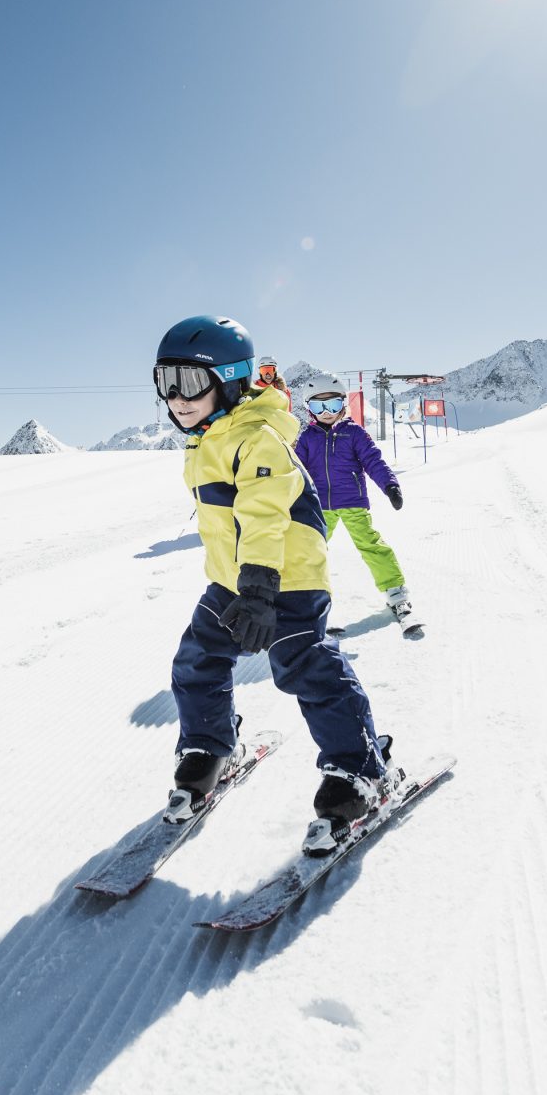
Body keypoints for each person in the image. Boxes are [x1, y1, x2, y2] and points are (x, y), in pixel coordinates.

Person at [152, 315, 395, 849]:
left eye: (190, 382)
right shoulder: (204, 441)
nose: (177, 398)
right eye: (165, 382)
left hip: (285, 580)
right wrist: (237, 583)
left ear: (233, 379)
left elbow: (263, 515)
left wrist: (260, 590)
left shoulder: (258, 439)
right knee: (197, 660)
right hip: (232, 581)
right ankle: (209, 749)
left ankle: (360, 770)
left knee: (303, 665)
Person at [294, 374, 414, 631]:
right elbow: (295, 470)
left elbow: (373, 461)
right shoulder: (306, 438)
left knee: (371, 545)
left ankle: (396, 593)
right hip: (319, 507)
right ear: (309, 409)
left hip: (352, 502)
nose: (327, 412)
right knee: (311, 553)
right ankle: (310, 602)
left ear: (344, 405)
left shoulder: (354, 433)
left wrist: (390, 485)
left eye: (333, 405)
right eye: (319, 406)